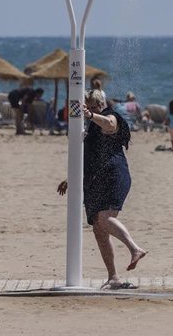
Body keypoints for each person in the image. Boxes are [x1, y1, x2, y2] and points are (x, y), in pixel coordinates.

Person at [57, 89, 146, 289]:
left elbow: (111, 125)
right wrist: (71, 177)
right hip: (95, 179)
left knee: (105, 218)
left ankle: (135, 249)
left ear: (99, 104)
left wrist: (90, 115)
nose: (89, 110)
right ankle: (113, 277)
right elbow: (88, 157)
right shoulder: (90, 126)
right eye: (87, 107)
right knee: (98, 228)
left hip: (114, 175)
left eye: (92, 106)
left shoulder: (109, 116)